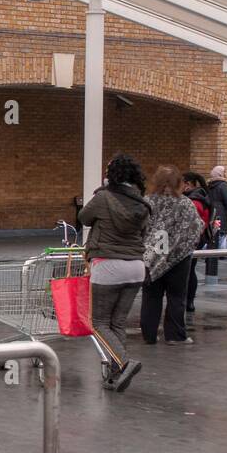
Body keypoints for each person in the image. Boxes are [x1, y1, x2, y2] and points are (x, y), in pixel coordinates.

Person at [79, 153, 150, 392]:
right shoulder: (142, 203)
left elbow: (83, 217)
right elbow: (144, 233)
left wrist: (102, 190)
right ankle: (115, 373)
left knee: (98, 322)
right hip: (136, 267)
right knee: (117, 322)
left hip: (108, 265)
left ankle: (124, 362)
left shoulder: (104, 198)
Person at [141, 165, 203, 345]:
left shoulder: (147, 202)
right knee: (176, 297)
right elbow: (195, 228)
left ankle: (149, 335)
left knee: (151, 297)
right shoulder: (185, 204)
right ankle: (175, 335)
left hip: (151, 257)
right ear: (179, 183)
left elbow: (139, 227)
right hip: (178, 258)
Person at [182, 171, 212, 314]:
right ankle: (189, 301)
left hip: (192, 239)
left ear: (188, 184)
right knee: (191, 269)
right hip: (199, 239)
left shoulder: (193, 201)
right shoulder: (203, 196)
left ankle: (187, 301)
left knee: (187, 270)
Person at [206, 165, 227, 249]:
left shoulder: (209, 185)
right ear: (221, 174)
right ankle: (221, 253)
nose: (226, 174)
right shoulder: (223, 185)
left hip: (211, 212)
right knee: (221, 232)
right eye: (225, 172)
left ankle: (210, 252)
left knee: (213, 232)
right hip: (221, 213)